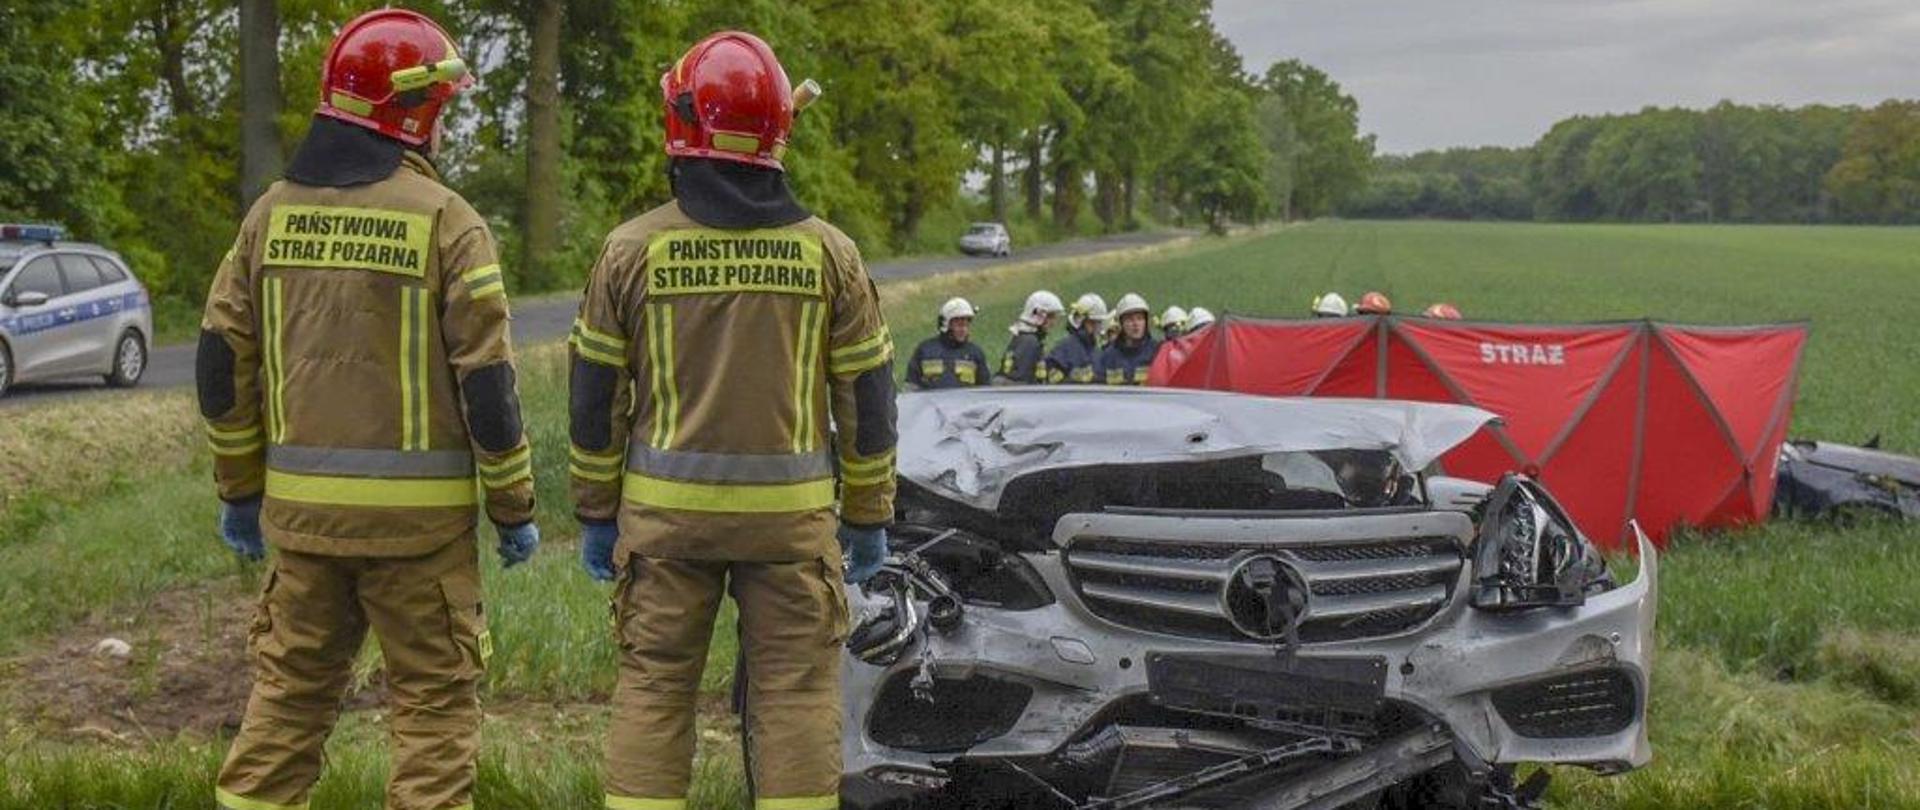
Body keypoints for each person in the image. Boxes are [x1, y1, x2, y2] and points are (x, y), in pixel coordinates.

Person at [196, 10, 537, 810]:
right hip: (420, 540)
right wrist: (513, 506)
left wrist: (240, 491)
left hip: (302, 529)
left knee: (285, 707)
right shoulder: (449, 222)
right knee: (432, 713)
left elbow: (219, 363)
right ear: (412, 110)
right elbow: (489, 387)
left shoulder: (268, 216)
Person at [567, 31, 893, 810]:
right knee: (795, 695)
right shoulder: (831, 254)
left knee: (655, 689)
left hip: (664, 524)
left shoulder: (629, 250)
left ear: (683, 128)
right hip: (790, 529)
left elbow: (592, 398)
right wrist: (868, 513)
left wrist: (593, 510)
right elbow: (870, 396)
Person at [906, 297, 989, 389]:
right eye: (959, 325)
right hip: (931, 403)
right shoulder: (925, 351)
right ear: (945, 325)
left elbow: (984, 392)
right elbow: (911, 387)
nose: (964, 330)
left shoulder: (975, 353)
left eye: (966, 325)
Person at [995, 290, 1063, 384]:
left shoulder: (1022, 338)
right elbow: (1021, 383)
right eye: (1050, 316)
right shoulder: (1030, 343)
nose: (1053, 323)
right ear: (1037, 315)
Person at [1044, 292, 1107, 383]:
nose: (1096, 327)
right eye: (1092, 322)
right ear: (1080, 321)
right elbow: (1052, 383)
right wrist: (1072, 380)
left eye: (1098, 323)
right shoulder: (1064, 348)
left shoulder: (1096, 351)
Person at [1099, 293, 1160, 385]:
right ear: (1120, 323)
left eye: (1140, 319)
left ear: (1146, 322)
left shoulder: (1157, 352)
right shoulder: (1108, 357)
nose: (1135, 324)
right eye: (1130, 320)